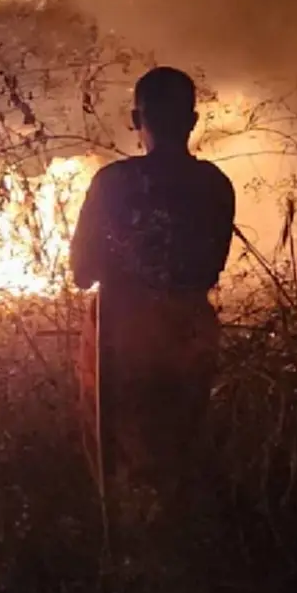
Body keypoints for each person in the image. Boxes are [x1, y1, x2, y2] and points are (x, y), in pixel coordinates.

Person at [70, 66, 235, 501]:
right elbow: (210, 269)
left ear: (135, 119)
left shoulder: (113, 183)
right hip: (189, 333)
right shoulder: (214, 185)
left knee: (118, 460)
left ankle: (129, 534)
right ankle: (179, 531)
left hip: (121, 337)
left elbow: (82, 272)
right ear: (192, 121)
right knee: (179, 452)